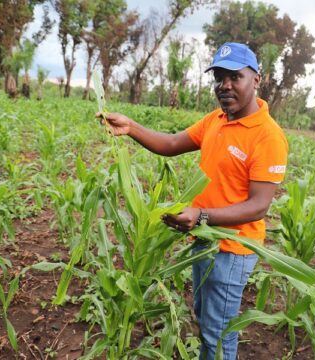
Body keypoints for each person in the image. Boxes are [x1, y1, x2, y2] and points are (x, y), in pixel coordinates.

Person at [99, 42, 288, 359]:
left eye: (235, 77)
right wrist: (131, 127)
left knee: (218, 335)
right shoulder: (216, 119)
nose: (225, 85)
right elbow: (172, 143)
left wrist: (201, 215)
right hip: (205, 237)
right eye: (219, 77)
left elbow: (259, 206)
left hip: (232, 249)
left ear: (256, 79)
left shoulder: (267, 136)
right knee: (207, 322)